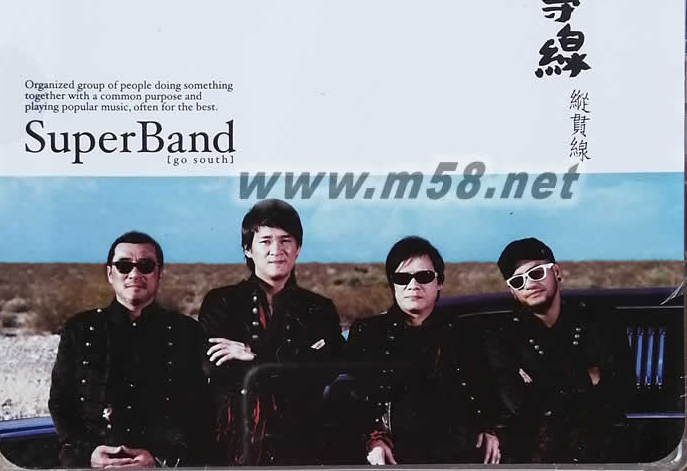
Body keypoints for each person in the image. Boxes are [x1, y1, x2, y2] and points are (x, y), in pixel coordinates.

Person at [198, 199, 345, 465]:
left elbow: (326, 371)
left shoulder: (319, 308)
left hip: (303, 446)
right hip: (233, 447)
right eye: (265, 241)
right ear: (248, 249)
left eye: (286, 240)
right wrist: (297, 363)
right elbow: (215, 368)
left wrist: (252, 356)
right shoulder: (222, 302)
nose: (276, 250)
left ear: (298, 248)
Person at [48, 231, 211, 468]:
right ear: (110, 273)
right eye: (124, 266)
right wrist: (88, 454)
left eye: (146, 266)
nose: (135, 274)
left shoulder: (186, 332)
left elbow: (200, 408)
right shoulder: (80, 329)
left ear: (159, 273)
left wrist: (159, 458)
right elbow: (60, 401)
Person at [346, 236, 501, 465]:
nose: (413, 285)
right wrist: (372, 439)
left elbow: (488, 388)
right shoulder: (367, 334)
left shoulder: (465, 333)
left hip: (457, 456)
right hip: (392, 459)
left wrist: (490, 429)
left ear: (439, 282)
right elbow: (353, 398)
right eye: (402, 278)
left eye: (424, 276)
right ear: (392, 283)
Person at [484, 237, 630, 463]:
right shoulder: (502, 337)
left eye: (536, 273)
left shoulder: (599, 321)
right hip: (538, 452)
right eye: (518, 281)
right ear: (512, 291)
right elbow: (520, 405)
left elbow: (623, 390)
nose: (529, 284)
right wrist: (587, 377)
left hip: (602, 446)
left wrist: (541, 384)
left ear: (557, 272)